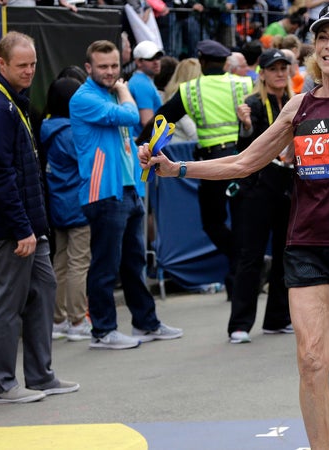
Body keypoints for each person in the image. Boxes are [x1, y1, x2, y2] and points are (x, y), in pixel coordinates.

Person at [138, 5, 329, 447]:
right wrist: (177, 169)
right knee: (311, 360)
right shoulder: (299, 106)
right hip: (307, 243)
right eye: (322, 38)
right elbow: (246, 161)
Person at [0, 31, 79, 404]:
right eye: (22, 65)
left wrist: (33, 227)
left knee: (43, 291)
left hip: (28, 225)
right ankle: (0, 385)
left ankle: (40, 376)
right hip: (14, 229)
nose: (30, 71)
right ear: (1, 64)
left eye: (34, 63)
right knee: (8, 304)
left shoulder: (10, 103)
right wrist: (22, 228)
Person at [70, 40, 183, 350]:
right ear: (89, 68)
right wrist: (123, 91)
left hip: (127, 189)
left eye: (114, 66)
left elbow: (123, 139)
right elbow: (132, 116)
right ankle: (103, 331)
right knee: (105, 266)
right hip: (103, 192)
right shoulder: (85, 98)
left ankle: (146, 323)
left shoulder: (104, 96)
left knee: (133, 263)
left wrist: (140, 151)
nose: (110, 72)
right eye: (103, 67)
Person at [145, 40, 254, 303]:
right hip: (244, 159)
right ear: (225, 63)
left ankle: (237, 269)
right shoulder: (243, 84)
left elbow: (162, 118)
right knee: (240, 222)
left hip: (211, 164)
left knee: (213, 222)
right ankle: (240, 270)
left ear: (202, 62)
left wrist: (144, 145)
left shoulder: (190, 89)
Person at [227, 49, 295, 344]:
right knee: (251, 256)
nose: (280, 73)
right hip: (257, 188)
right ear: (262, 73)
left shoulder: (295, 103)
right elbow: (246, 146)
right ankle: (239, 324)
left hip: (287, 186)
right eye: (274, 68)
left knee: (284, 254)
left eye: (284, 68)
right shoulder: (252, 103)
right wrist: (245, 125)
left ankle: (277, 318)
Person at [41, 77, 93, 342]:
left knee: (60, 262)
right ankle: (76, 319)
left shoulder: (47, 128)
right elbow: (88, 160)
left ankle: (58, 318)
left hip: (58, 203)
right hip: (78, 203)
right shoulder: (71, 133)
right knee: (78, 263)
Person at [129, 40, 164, 137]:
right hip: (144, 145)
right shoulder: (141, 84)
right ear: (138, 62)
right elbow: (147, 122)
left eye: (158, 58)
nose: (156, 62)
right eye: (151, 58)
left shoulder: (141, 81)